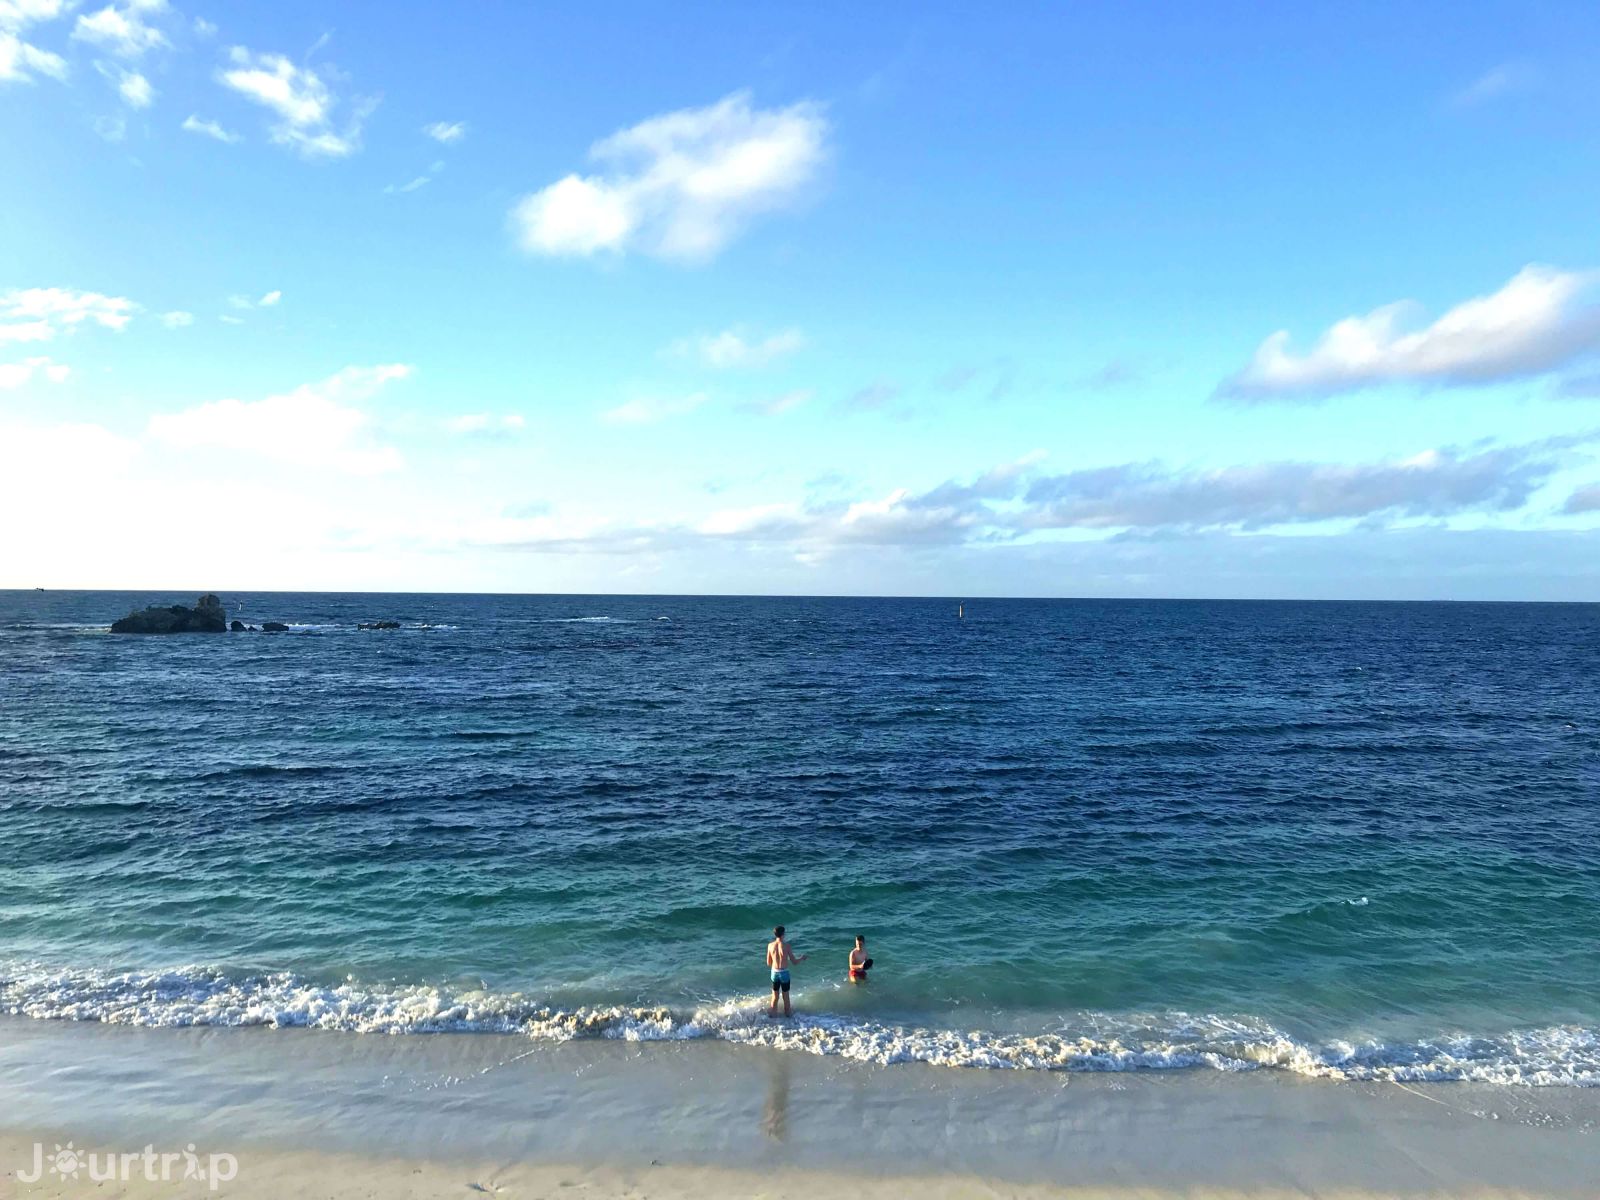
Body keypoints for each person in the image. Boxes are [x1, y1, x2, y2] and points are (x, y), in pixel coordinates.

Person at [766, 925, 807, 1017]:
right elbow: (794, 962)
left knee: (775, 996)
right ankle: (788, 1015)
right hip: (784, 973)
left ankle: (773, 1015)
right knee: (785, 996)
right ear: (783, 934)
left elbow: (768, 963)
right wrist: (802, 958)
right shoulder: (787, 946)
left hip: (774, 973)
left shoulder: (770, 945)